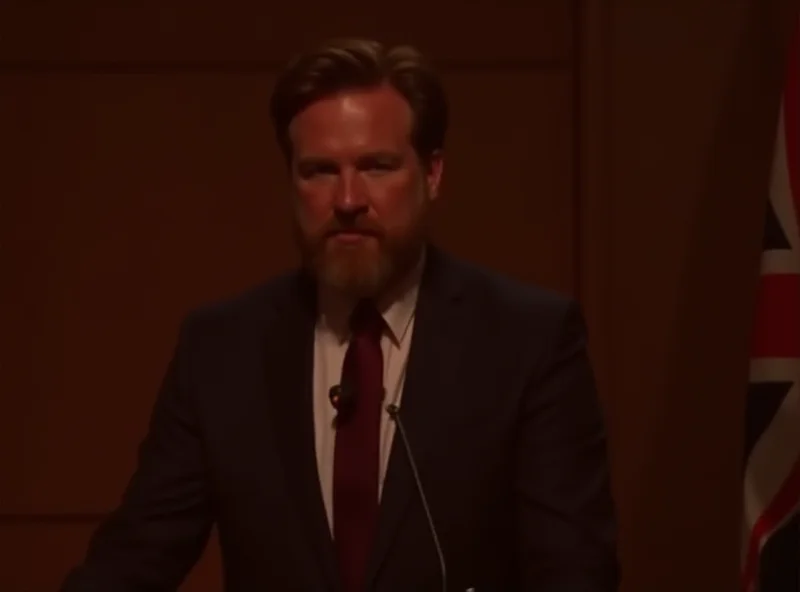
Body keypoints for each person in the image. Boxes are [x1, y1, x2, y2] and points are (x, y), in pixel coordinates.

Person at [61, 37, 620, 591]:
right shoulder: (222, 351)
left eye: (376, 166)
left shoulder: (527, 342)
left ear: (433, 174)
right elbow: (131, 563)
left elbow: (574, 574)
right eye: (320, 171)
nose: (348, 199)